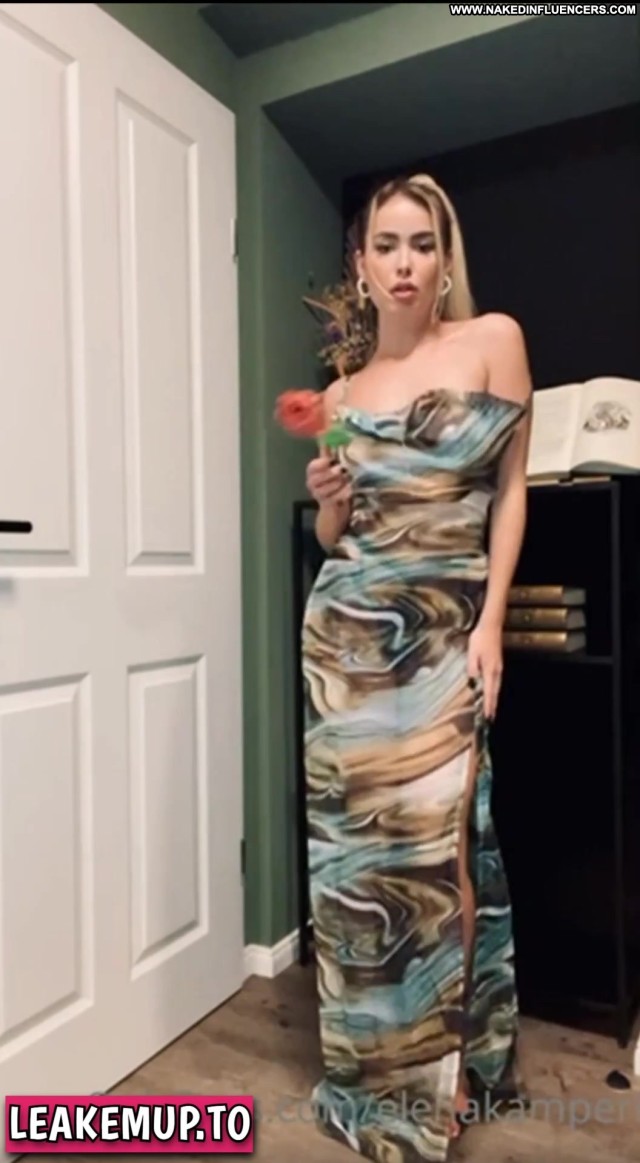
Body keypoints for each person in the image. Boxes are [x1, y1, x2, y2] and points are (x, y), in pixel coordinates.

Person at [300, 172, 533, 1161]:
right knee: (361, 867)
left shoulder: (492, 341)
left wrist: (492, 623)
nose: (404, 263)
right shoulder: (340, 394)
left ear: (444, 259)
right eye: (386, 245)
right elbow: (335, 536)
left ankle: (446, 1072)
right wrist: (326, 498)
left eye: (422, 244)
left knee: (442, 856)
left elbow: (511, 490)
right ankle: (374, 1073)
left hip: (443, 637)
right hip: (346, 649)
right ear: (360, 265)